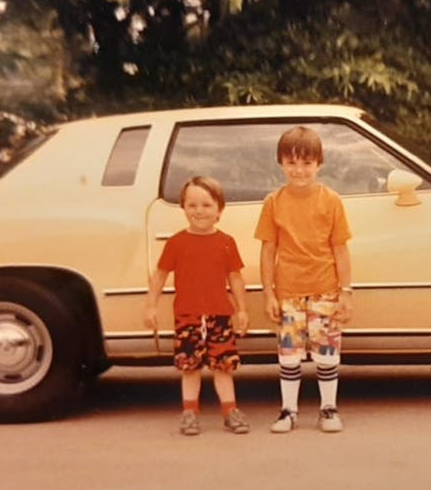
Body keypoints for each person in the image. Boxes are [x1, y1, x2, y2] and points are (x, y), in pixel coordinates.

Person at [254, 126, 353, 433]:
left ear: (319, 164)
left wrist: (346, 292)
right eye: (292, 163)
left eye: (306, 163)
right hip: (288, 294)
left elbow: (340, 248)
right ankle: (288, 411)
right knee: (289, 356)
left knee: (326, 356)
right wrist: (268, 293)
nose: (299, 170)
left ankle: (328, 409)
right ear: (281, 163)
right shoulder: (273, 202)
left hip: (325, 292)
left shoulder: (332, 200)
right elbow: (268, 250)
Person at [145, 176, 251, 436]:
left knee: (223, 367)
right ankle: (190, 413)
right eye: (192, 205)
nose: (199, 211)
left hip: (220, 316)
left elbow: (235, 277)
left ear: (219, 210)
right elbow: (159, 275)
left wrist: (242, 309)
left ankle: (230, 411)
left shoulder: (226, 242)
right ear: (183, 208)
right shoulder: (176, 242)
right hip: (187, 315)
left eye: (206, 205)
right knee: (190, 367)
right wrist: (150, 306)